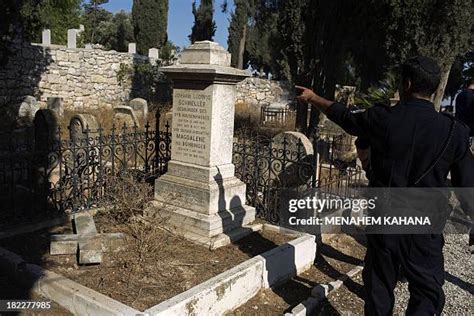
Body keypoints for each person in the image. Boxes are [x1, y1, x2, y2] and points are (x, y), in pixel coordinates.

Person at [296, 56, 474, 315]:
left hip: (385, 221)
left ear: (407, 83)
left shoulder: (382, 118)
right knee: (426, 292)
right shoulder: (453, 131)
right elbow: (467, 185)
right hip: (425, 228)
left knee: (379, 289)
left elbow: (345, 117)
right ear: (435, 88)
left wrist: (313, 98)